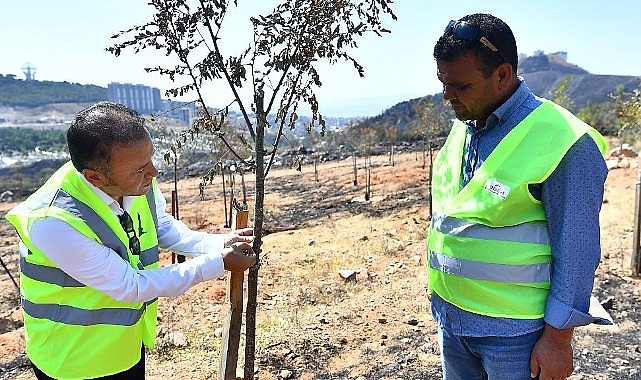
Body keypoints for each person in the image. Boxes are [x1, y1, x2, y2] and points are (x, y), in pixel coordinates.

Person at [5, 101, 256, 380]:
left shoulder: (133, 174)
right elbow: (131, 285)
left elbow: (158, 224)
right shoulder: (53, 222)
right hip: (74, 360)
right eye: (140, 168)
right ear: (94, 177)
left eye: (150, 159)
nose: (153, 172)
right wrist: (218, 263)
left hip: (123, 346)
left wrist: (216, 243)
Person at [426, 13, 610, 380]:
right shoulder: (465, 127)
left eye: (460, 86)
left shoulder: (564, 141)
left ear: (502, 76)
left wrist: (558, 339)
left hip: (514, 338)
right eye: (443, 83)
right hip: (453, 322)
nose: (447, 96)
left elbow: (576, 249)